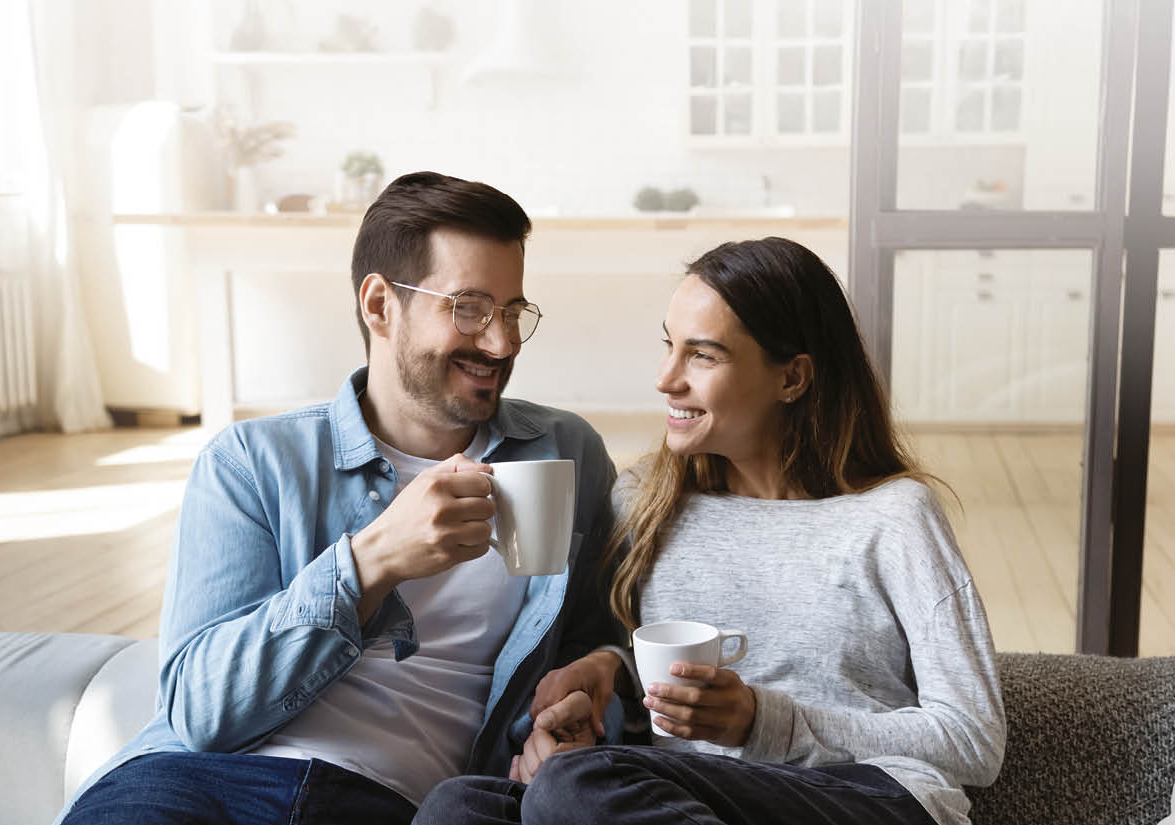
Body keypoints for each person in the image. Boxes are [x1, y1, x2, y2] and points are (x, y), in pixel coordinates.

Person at [59, 171, 620, 825]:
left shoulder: (563, 451)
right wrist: (372, 560)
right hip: (192, 782)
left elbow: (600, 636)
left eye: (514, 311)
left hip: (394, 804)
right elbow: (201, 710)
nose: (501, 342)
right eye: (469, 308)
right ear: (379, 304)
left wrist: (580, 702)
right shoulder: (254, 461)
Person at [415, 236, 1006, 825]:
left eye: (703, 355)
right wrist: (602, 682)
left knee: (576, 786)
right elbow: (643, 699)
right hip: (696, 802)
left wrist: (760, 721)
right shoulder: (646, 504)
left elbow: (975, 740)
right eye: (670, 346)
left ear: (792, 378)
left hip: (871, 798)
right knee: (458, 807)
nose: (666, 378)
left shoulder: (895, 517)